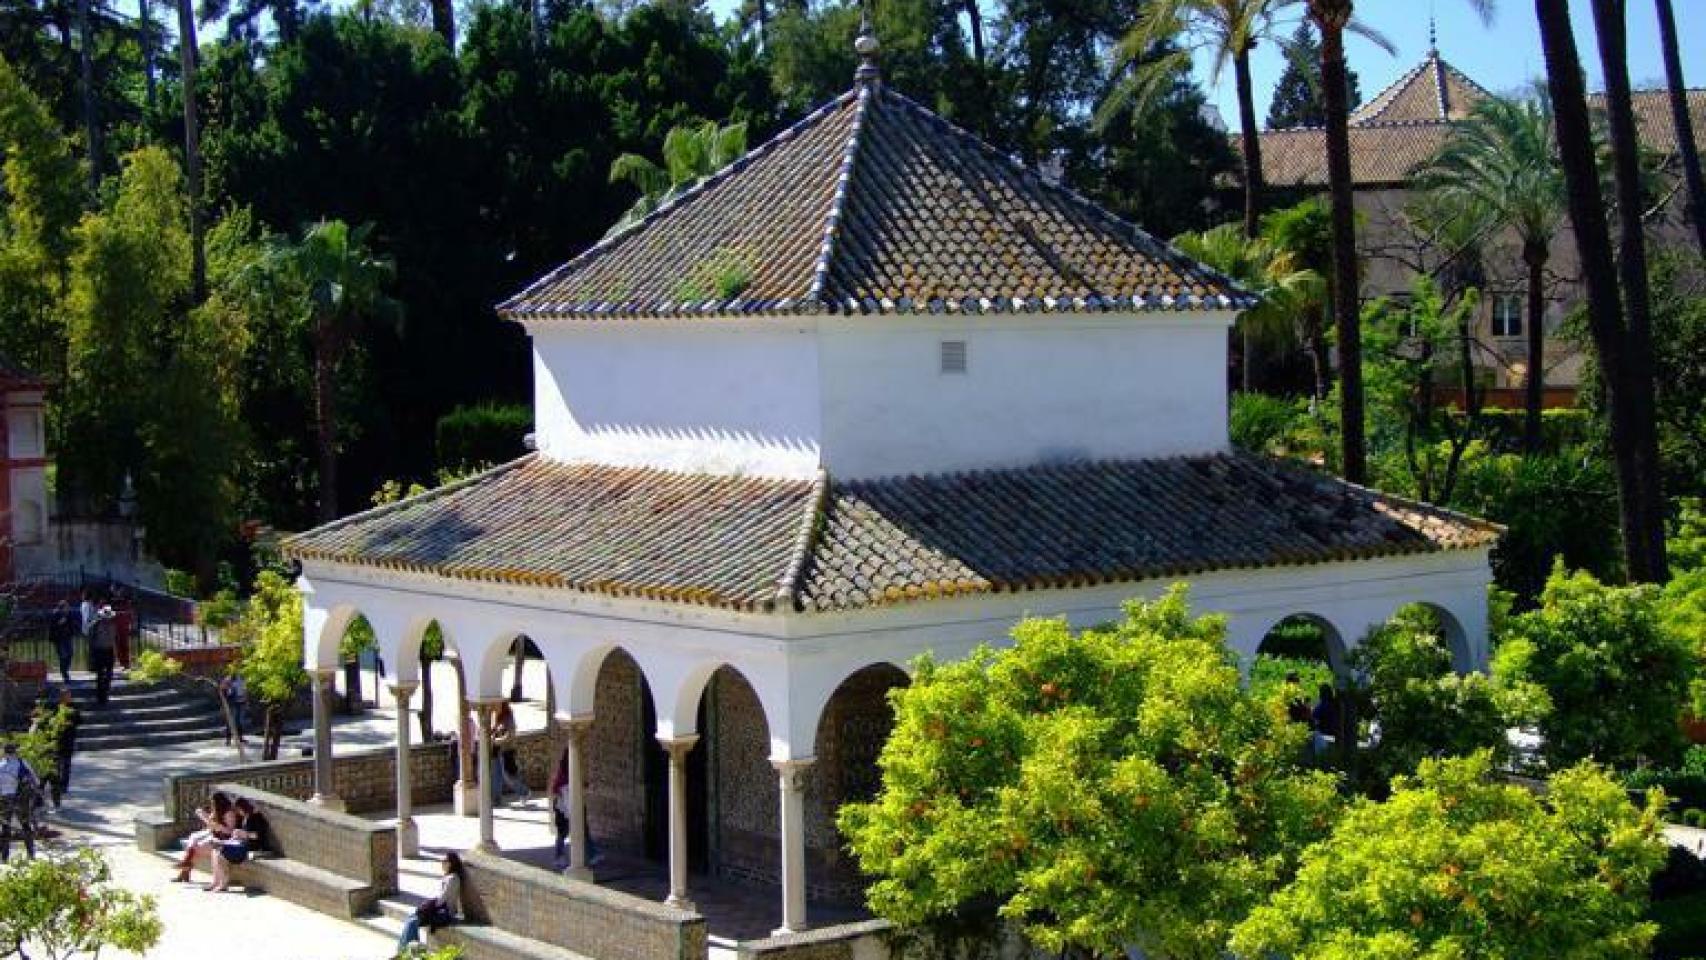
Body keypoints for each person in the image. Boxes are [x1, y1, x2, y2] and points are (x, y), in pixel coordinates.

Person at [396, 852, 463, 955]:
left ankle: (408, 953)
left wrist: (426, 907)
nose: (442, 863)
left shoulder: (453, 879)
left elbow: (441, 900)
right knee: (411, 919)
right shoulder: (449, 877)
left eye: (444, 861)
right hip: (438, 911)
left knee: (413, 922)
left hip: (445, 914)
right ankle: (405, 951)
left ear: (450, 863)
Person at [550, 749, 602, 870]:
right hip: (564, 808)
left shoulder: (568, 772)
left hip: (570, 806)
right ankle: (559, 857)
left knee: (581, 831)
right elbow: (558, 791)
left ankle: (593, 854)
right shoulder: (564, 775)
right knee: (564, 833)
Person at [206, 798, 268, 893]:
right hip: (240, 843)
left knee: (219, 853)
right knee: (216, 850)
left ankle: (223, 883)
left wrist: (244, 834)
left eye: (238, 810)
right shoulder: (244, 818)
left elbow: (258, 835)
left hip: (250, 846)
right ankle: (218, 882)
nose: (238, 813)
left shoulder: (256, 817)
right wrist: (236, 835)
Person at [174, 791, 236, 882]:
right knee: (193, 838)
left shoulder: (229, 813)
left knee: (195, 848)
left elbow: (230, 831)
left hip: (224, 839)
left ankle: (185, 871)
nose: (211, 804)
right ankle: (185, 869)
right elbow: (210, 825)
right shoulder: (216, 811)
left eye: (213, 802)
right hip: (214, 834)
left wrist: (217, 826)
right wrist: (204, 816)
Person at [0, 742, 39, 862]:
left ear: (4, 752)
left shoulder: (0, 766)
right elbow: (36, 781)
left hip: (4, 799)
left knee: (5, 827)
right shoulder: (22, 763)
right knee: (25, 825)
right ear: (15, 752)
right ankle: (31, 855)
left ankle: (4, 858)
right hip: (20, 799)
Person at [491, 703, 528, 805]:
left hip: (506, 750)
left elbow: (510, 736)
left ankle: (524, 792)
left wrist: (495, 741)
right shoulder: (495, 716)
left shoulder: (508, 718)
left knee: (508, 776)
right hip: (495, 750)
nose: (494, 707)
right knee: (495, 775)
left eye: (496, 705)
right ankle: (496, 799)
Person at [88, 603, 119, 704]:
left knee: (109, 674)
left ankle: (105, 692)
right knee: (100, 675)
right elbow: (91, 640)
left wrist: (115, 654)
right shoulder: (95, 625)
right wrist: (92, 655)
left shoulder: (113, 625)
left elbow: (113, 640)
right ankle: (101, 696)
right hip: (99, 651)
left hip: (109, 651)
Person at [49, 601, 78, 686]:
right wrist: (59, 624)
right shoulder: (56, 615)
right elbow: (52, 627)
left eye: (68, 607)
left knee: (70, 654)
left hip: (67, 637)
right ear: (62, 608)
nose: (68, 609)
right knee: (63, 656)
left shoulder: (68, 615)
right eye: (66, 607)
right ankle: (65, 674)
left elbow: (71, 624)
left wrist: (72, 631)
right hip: (59, 639)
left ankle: (65, 670)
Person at [1310, 683, 1341, 757]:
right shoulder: (1336, 704)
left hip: (1325, 733)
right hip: (1336, 733)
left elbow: (1313, 718)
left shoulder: (1322, 706)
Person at [220, 673, 248, 745]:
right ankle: (228, 739)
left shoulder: (242, 678)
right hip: (233, 703)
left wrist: (245, 699)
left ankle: (240, 738)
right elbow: (223, 691)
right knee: (231, 721)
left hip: (241, 702)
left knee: (240, 721)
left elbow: (245, 690)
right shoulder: (228, 679)